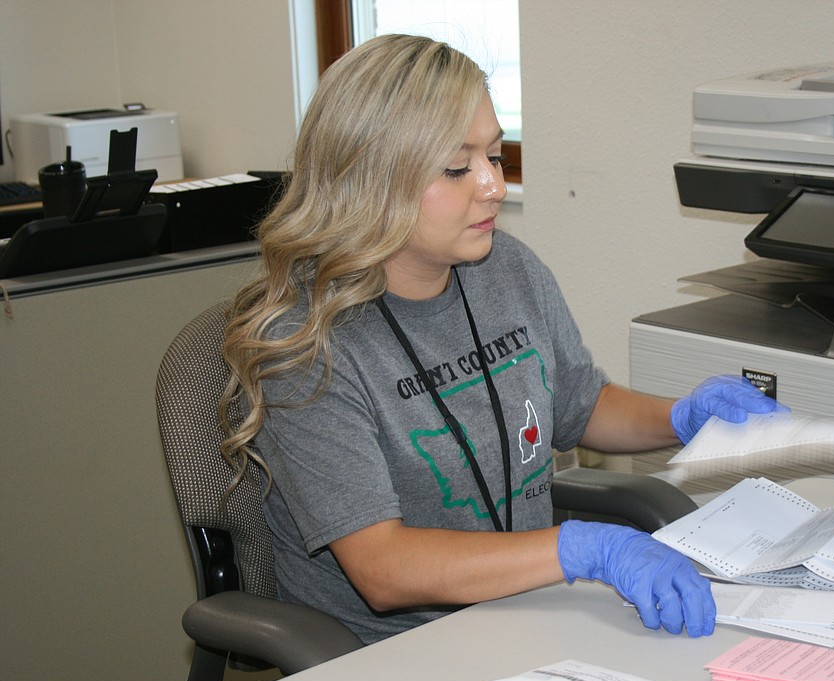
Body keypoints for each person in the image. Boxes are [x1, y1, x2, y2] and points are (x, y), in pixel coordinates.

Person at [221, 34, 781, 646]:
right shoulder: (304, 343)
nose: (492, 185)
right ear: (370, 179)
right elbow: (383, 569)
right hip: (387, 656)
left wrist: (684, 416)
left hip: (523, 615)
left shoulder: (505, 270)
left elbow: (578, 405)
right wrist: (583, 548)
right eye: (458, 168)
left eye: (494, 154)